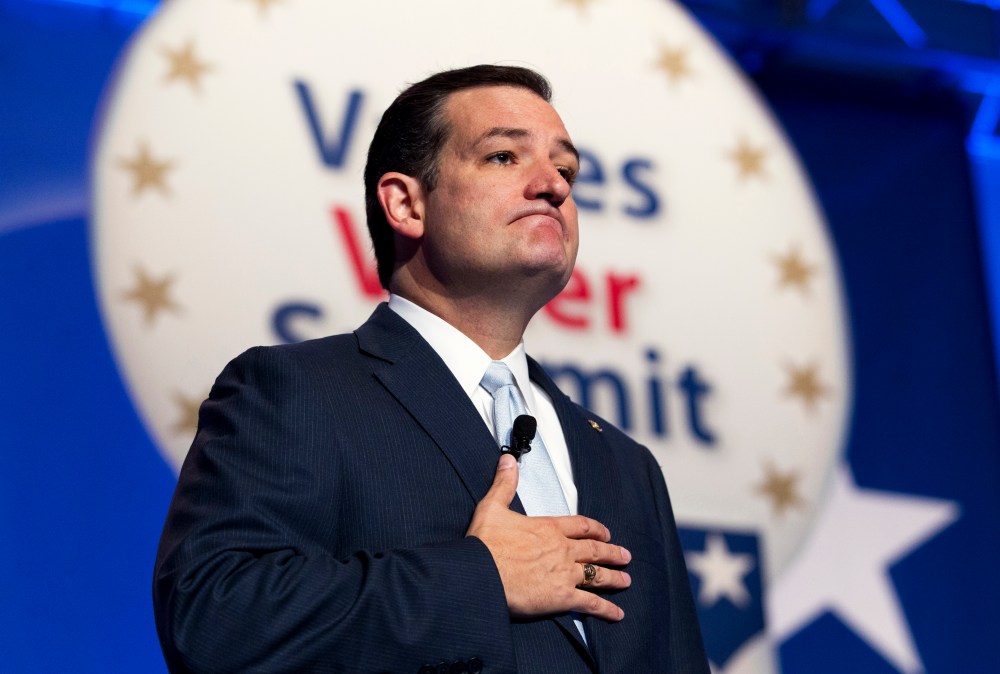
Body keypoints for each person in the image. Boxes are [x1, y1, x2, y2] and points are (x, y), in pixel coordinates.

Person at [154, 64, 709, 674]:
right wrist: (481, 579)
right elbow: (214, 618)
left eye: (567, 170)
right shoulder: (297, 390)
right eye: (503, 156)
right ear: (406, 203)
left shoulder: (627, 463)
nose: (552, 184)